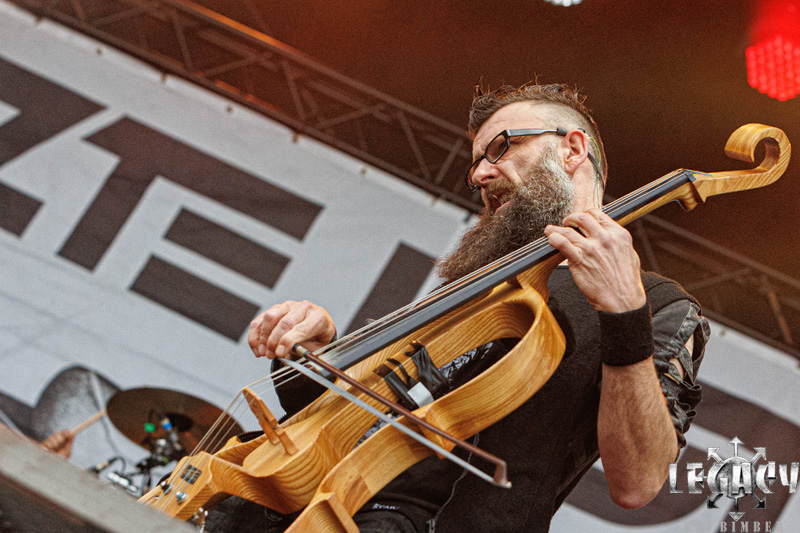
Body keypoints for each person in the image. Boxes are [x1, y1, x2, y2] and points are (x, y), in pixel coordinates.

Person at [212, 83, 709, 532]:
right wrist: (325, 354)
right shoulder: (482, 280)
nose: (480, 174)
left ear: (572, 149)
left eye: (501, 147)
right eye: (476, 164)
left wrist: (625, 315)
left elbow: (638, 483)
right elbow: (377, 415)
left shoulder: (656, 302)